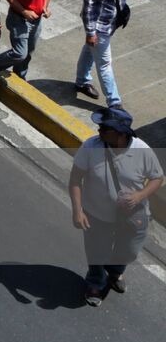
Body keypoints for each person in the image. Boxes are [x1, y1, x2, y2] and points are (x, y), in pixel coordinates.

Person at [68, 107, 163, 307]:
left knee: (129, 251)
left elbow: (157, 178)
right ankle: (95, 281)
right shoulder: (91, 147)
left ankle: (115, 272)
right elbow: (75, 179)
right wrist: (78, 210)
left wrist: (139, 196)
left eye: (105, 128)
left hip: (132, 215)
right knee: (96, 251)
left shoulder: (141, 150)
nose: (99, 131)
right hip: (96, 214)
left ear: (120, 133)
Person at [75, 0, 144, 107]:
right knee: (105, 63)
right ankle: (114, 102)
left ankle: (81, 82)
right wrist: (91, 32)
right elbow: (89, 6)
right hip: (99, 25)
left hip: (112, 22)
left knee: (90, 51)